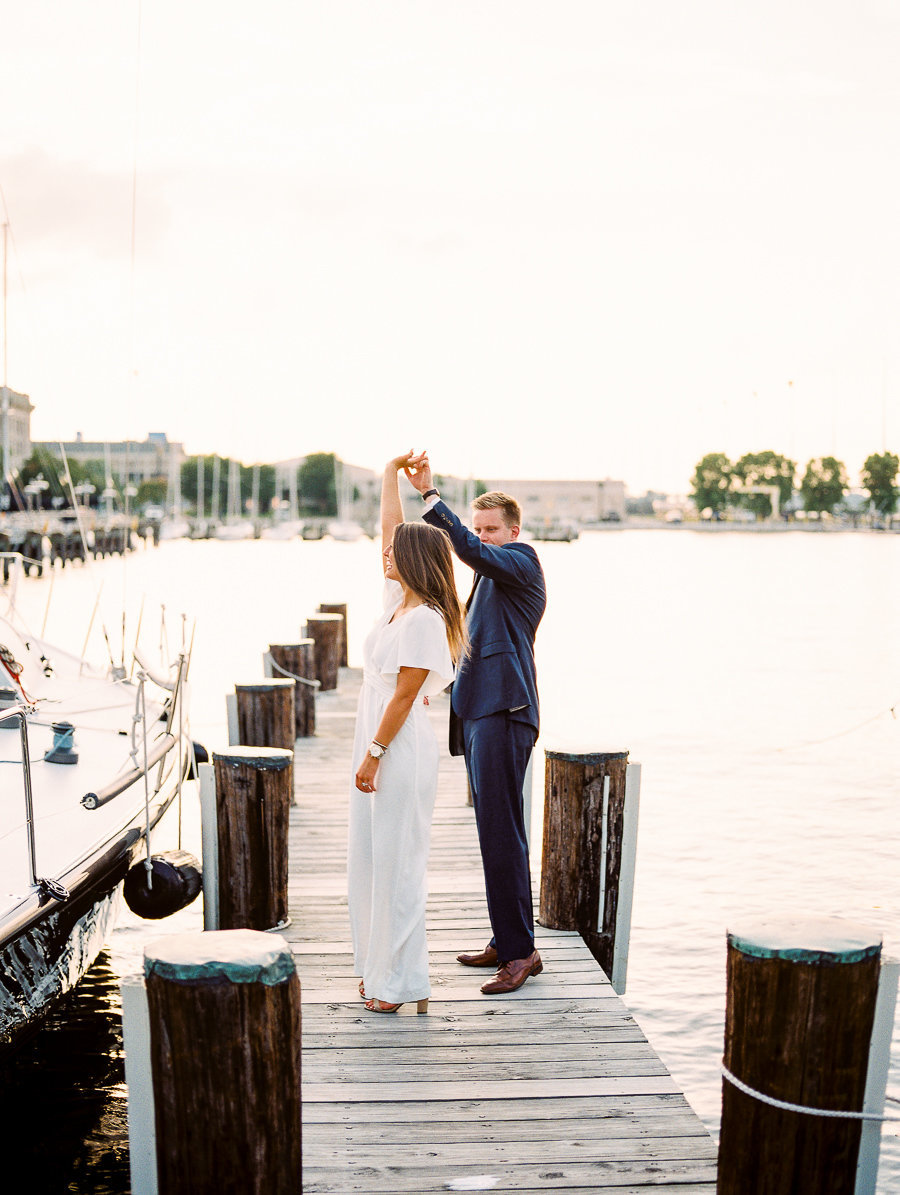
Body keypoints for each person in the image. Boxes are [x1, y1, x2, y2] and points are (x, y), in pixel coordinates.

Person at [406, 454, 547, 995]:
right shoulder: (488, 579)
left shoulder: (521, 561)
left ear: (513, 531)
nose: (483, 537)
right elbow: (468, 645)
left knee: (503, 833)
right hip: (478, 711)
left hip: (505, 713)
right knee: (495, 833)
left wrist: (430, 497)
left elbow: (462, 547)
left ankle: (521, 954)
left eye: (492, 529)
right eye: (480, 527)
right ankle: (508, 938)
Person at [348, 452, 467, 1015]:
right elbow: (388, 532)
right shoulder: (399, 605)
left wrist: (373, 754)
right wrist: (389, 476)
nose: (385, 555)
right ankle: (379, 969)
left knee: (399, 862)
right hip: (376, 736)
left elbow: (402, 696)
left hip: (396, 746)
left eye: (396, 554)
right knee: (372, 857)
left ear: (415, 563)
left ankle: (401, 982)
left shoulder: (425, 620)